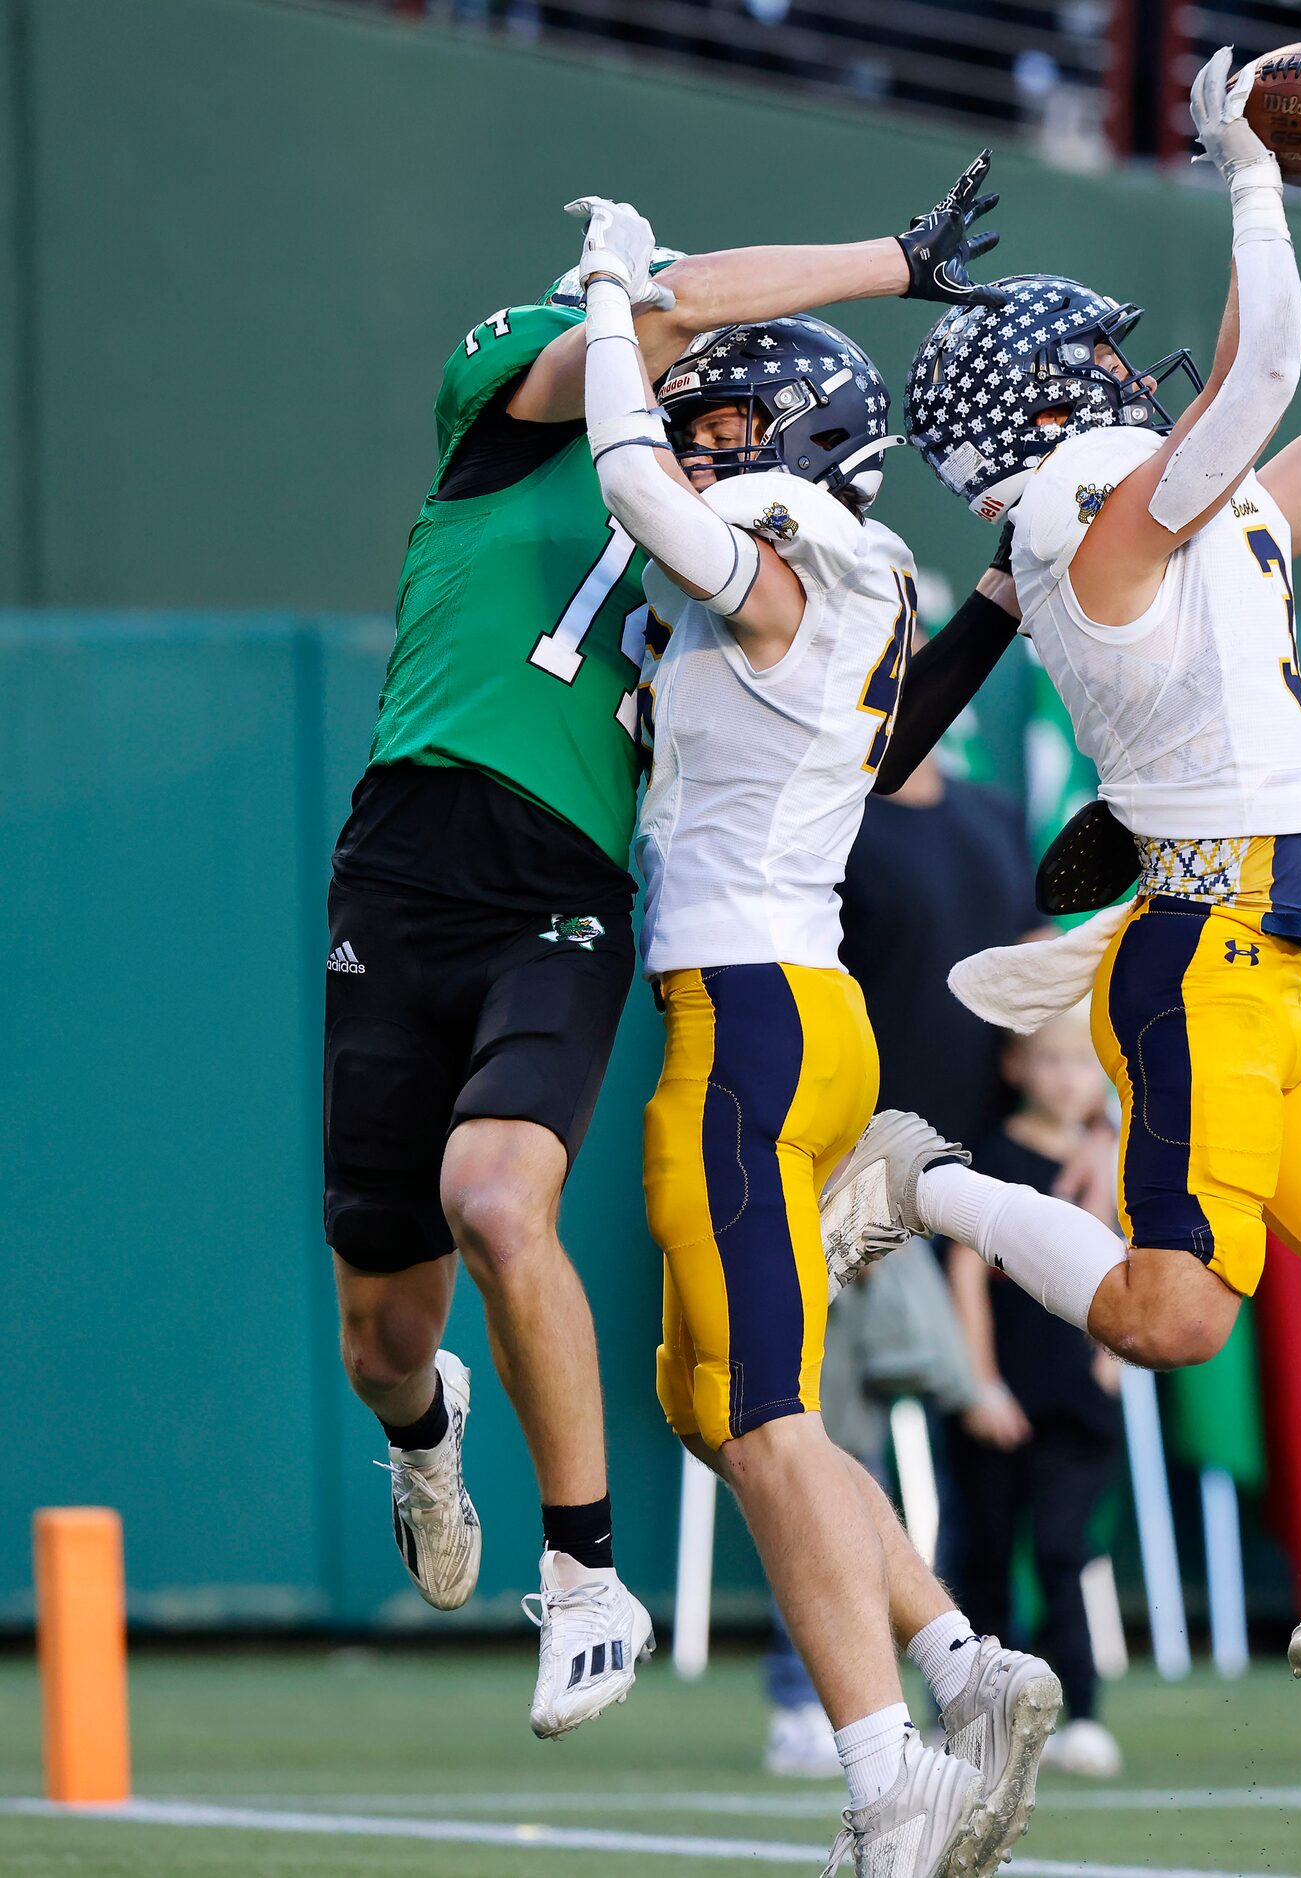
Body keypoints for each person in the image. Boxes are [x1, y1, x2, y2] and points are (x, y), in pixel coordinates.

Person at [322, 156, 1007, 1741]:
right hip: (403, 862)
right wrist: (883, 264)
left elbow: (873, 738)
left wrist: (987, 599)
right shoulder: (522, 398)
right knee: (383, 1335)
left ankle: (583, 1575)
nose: (703, 409)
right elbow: (661, 317)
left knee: (497, 1197)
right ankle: (428, 1435)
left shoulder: (728, 519)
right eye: (682, 383)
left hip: (572, 886)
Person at [893, 51, 1301, 1790]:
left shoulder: (1181, 521)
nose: (1123, 374)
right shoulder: (1095, 531)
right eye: (1092, 364)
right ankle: (924, 1175)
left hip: (1265, 971)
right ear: (1037, 419)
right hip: (1196, 954)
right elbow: (1269, 374)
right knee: (1172, 1320)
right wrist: (1247, 169)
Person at [569, 194, 1061, 1878]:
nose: (703, 450)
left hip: (748, 1018)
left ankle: (887, 1775)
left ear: (798, 438)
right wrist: (994, 604)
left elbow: (635, 489)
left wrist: (618, 300)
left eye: (728, 422)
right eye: (702, 423)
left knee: (766, 1411)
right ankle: (960, 1659)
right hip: (803, 1011)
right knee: (713, 1400)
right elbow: (892, 733)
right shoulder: (859, 584)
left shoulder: (790, 543)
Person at [944, 1003, 1126, 1780]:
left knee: (1062, 1550)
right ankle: (976, 1718)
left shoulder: (1113, 1163)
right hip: (998, 1400)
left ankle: (1079, 1714)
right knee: (981, 1553)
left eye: (1079, 1062)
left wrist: (1112, 1359)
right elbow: (965, 1277)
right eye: (1046, 1059)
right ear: (1014, 1067)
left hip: (1076, 1403)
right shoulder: (987, 1161)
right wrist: (978, 1383)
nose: (1063, 1077)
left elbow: (1133, 1258)